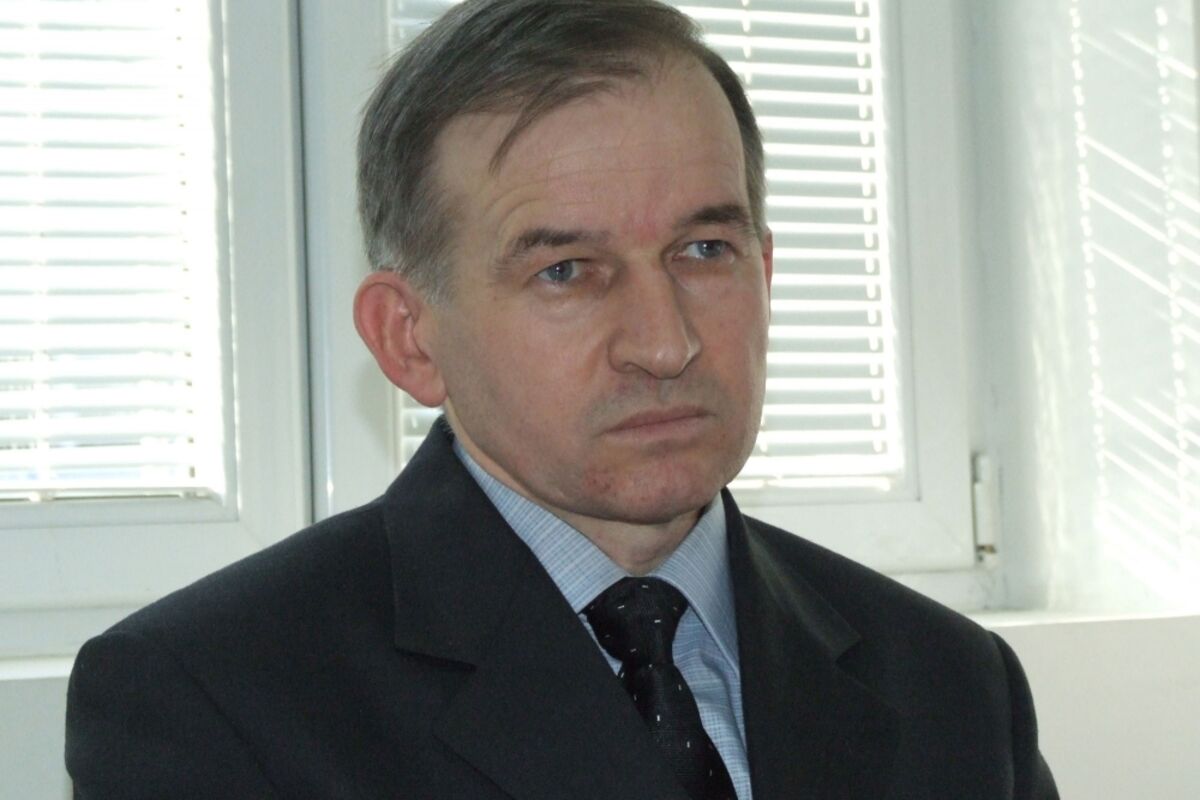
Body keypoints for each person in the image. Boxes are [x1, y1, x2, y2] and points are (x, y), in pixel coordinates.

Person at [65, 1, 1058, 797]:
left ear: (764, 273)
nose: (664, 342)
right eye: (567, 271)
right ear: (410, 338)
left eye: (703, 250)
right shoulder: (216, 695)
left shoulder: (950, 682)